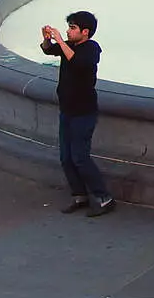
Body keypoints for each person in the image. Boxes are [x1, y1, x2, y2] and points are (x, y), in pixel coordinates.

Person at [38, 11, 115, 216]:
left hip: (83, 112)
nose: (68, 31)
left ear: (85, 31)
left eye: (73, 28)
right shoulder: (69, 47)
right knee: (66, 157)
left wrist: (62, 41)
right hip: (67, 110)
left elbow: (79, 63)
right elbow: (49, 51)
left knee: (80, 157)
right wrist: (47, 40)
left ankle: (103, 197)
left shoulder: (91, 48)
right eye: (69, 27)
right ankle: (79, 195)